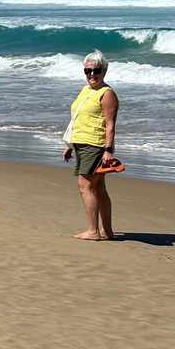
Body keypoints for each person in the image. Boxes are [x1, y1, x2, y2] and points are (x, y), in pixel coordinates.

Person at [63, 50, 119, 241]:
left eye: (96, 71)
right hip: (81, 143)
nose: (92, 75)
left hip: (95, 145)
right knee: (99, 188)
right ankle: (108, 231)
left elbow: (110, 125)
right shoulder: (86, 90)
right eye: (87, 71)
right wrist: (70, 144)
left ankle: (93, 231)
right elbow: (78, 117)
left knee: (84, 185)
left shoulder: (107, 93)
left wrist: (108, 151)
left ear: (104, 71)